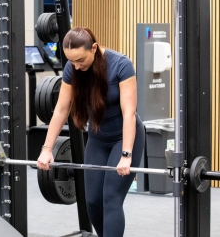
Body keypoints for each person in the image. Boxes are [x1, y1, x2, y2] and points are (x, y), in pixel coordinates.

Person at [37, 27, 145, 237]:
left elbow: (129, 112)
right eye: (71, 62)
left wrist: (126, 154)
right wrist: (47, 148)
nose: (76, 66)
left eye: (80, 60)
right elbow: (61, 109)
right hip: (98, 137)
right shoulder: (73, 68)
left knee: (111, 198)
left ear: (93, 48)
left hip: (125, 137)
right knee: (93, 201)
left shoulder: (121, 65)